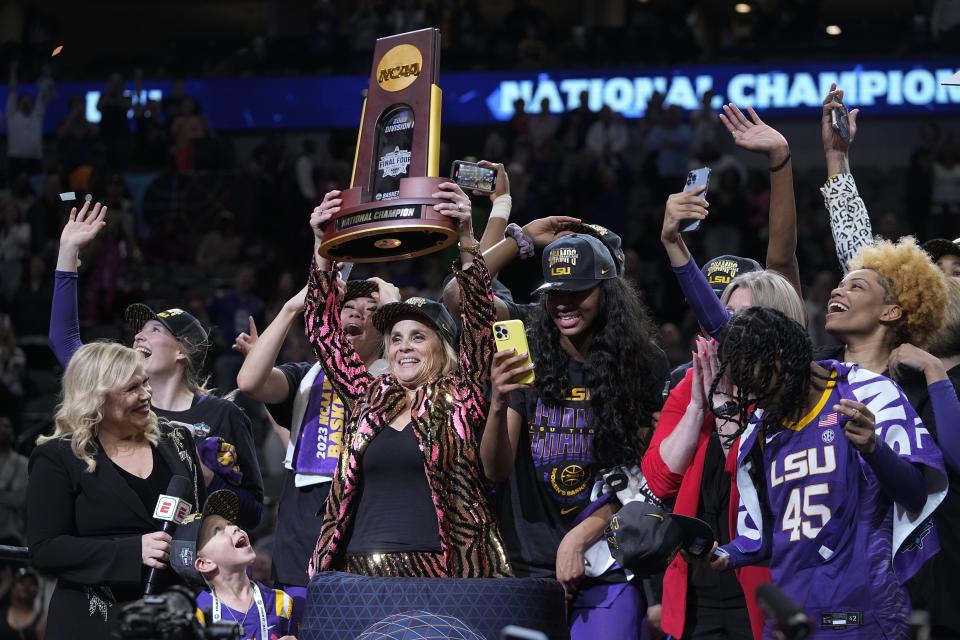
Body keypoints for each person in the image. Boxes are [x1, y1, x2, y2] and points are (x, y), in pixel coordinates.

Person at [645, 102, 804, 639]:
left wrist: (781, 161)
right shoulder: (692, 383)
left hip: (769, 592)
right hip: (693, 597)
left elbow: (781, 262)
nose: (725, 327)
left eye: (742, 315)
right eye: (722, 312)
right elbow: (657, 483)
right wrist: (697, 407)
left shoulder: (794, 391)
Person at [305, 181, 511, 578]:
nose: (404, 347)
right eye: (395, 339)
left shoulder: (462, 391)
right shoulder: (368, 394)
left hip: (446, 570)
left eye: (418, 337)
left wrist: (466, 236)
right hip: (359, 569)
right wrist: (322, 247)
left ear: (443, 347)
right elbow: (322, 331)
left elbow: (481, 320)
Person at [703, 307, 947, 638]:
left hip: (861, 610)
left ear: (783, 357)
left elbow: (917, 495)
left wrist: (874, 450)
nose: (761, 399)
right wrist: (722, 554)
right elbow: (766, 536)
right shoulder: (759, 431)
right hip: (790, 615)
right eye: (751, 391)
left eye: (764, 383)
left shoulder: (867, 393)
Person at [483, 233, 669, 638]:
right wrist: (497, 403)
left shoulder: (643, 362)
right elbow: (495, 469)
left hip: (608, 563)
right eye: (554, 293)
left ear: (606, 291)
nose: (564, 303)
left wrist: (581, 537)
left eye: (578, 290)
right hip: (527, 565)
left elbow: (645, 475)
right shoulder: (526, 353)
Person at [48, 199, 263, 529]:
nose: (138, 337)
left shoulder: (222, 415)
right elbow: (64, 341)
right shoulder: (116, 396)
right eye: (138, 330)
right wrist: (67, 252)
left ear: (182, 351)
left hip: (190, 562)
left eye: (154, 329)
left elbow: (253, 511)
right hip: (124, 550)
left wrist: (206, 479)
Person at [234, 199, 392, 621]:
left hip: (366, 508)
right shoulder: (307, 374)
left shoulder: (396, 377)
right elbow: (249, 382)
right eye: (349, 308)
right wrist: (291, 307)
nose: (357, 313)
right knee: (302, 619)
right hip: (303, 512)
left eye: (372, 312)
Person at [27, 342, 207, 639]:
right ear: (96, 398)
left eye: (145, 382)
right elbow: (46, 549)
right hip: (94, 622)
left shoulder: (177, 439)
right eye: (131, 388)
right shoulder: (58, 456)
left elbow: (198, 518)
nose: (146, 394)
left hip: (174, 617)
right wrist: (133, 551)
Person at [171, 491, 296, 640]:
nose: (235, 528)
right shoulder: (196, 617)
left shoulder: (281, 602)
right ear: (205, 563)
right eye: (217, 530)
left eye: (230, 524)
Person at [0, 568, 43, 640]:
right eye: (22, 582)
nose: (27, 586)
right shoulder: (1, 615)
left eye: (32, 583)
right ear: (12, 587)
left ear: (37, 590)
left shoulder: (41, 621)